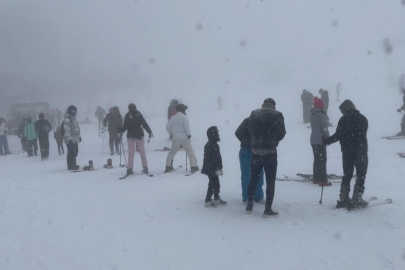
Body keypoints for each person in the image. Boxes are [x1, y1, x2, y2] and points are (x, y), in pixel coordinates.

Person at [323, 100, 368, 209]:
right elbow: (363, 132)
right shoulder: (362, 118)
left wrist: (326, 141)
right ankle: (357, 198)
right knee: (360, 174)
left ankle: (343, 198)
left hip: (347, 151)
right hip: (360, 150)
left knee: (347, 174)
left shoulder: (343, 120)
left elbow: (338, 135)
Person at [245, 98, 286, 218]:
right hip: (270, 153)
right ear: (273, 106)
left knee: (253, 178)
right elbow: (282, 133)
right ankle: (267, 209)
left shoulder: (254, 113)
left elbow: (249, 129)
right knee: (270, 181)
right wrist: (274, 140)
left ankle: (249, 204)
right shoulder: (278, 115)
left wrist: (256, 141)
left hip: (256, 152)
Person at [235, 117, 265, 204]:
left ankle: (258, 196)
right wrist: (248, 143)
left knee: (259, 174)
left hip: (259, 151)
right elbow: (238, 133)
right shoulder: (248, 120)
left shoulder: (264, 122)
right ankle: (247, 197)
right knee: (247, 175)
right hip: (246, 151)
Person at [119, 103, 153, 176]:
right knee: (142, 152)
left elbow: (125, 126)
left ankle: (130, 168)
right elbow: (144, 124)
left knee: (131, 153)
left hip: (131, 135)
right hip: (139, 135)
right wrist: (149, 131)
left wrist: (121, 131)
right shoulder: (138, 115)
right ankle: (145, 167)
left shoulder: (128, 115)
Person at [165, 104, 199, 173]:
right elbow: (186, 127)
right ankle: (194, 166)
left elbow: (167, 127)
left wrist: (171, 134)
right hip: (184, 138)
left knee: (172, 152)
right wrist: (188, 134)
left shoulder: (172, 118)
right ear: (183, 110)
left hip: (175, 138)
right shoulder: (184, 117)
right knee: (190, 151)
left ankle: (168, 166)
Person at [201, 126, 226, 207]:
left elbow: (217, 157)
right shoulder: (210, 145)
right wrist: (212, 168)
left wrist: (219, 167)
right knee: (212, 183)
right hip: (211, 169)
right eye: (217, 133)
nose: (218, 135)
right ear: (213, 135)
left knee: (217, 183)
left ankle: (216, 197)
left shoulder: (215, 145)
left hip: (216, 168)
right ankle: (208, 199)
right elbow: (209, 158)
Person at [310, 98, 331, 186]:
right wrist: (328, 138)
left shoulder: (312, 115)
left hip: (313, 140)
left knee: (316, 159)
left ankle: (316, 178)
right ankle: (323, 180)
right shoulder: (321, 116)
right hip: (320, 140)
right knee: (322, 160)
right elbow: (324, 129)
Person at [63, 105, 81, 170]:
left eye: (75, 111)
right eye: (72, 111)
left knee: (75, 151)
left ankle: (73, 164)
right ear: (69, 111)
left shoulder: (73, 117)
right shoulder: (67, 118)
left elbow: (76, 128)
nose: (74, 112)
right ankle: (70, 165)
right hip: (70, 139)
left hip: (75, 138)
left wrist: (79, 137)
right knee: (71, 152)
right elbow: (67, 129)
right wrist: (69, 139)